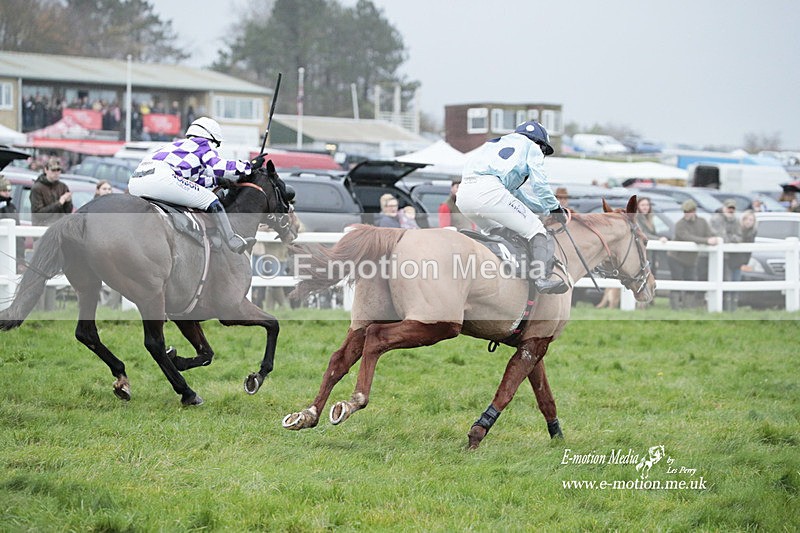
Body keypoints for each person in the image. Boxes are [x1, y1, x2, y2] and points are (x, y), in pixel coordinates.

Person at [457, 120, 568, 294]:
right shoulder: (533, 146)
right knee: (536, 230)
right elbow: (539, 185)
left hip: (463, 196)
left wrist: (545, 209)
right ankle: (540, 278)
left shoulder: (495, 143)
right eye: (544, 150)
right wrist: (555, 208)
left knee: (499, 231)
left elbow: (516, 195)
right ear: (540, 143)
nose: (543, 153)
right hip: (489, 191)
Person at [128, 116, 262, 254]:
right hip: (160, 179)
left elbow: (190, 182)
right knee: (210, 199)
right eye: (217, 144)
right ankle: (232, 240)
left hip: (135, 182)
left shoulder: (175, 146)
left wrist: (217, 181)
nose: (215, 149)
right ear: (212, 138)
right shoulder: (202, 143)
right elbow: (218, 166)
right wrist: (249, 166)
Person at [667, 199, 720, 309]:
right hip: (676, 257)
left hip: (691, 259)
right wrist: (706, 241)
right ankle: (675, 307)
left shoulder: (702, 222)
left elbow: (709, 234)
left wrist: (714, 239)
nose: (686, 214)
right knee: (676, 281)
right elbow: (686, 237)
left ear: (694, 211)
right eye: (684, 211)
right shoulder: (680, 224)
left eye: (688, 211)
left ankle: (688, 307)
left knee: (691, 281)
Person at [31, 157, 72, 226]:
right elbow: (38, 214)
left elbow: (67, 212)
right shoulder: (37, 188)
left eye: (58, 170)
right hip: (42, 230)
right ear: (46, 170)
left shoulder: (63, 187)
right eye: (53, 170)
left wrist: (68, 202)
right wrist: (59, 203)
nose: (56, 173)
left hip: (58, 229)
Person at [0, 174, 24, 266]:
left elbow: (19, 235)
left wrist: (21, 257)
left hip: (13, 252)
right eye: (3, 190)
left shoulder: (12, 207)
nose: (7, 193)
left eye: (9, 190)